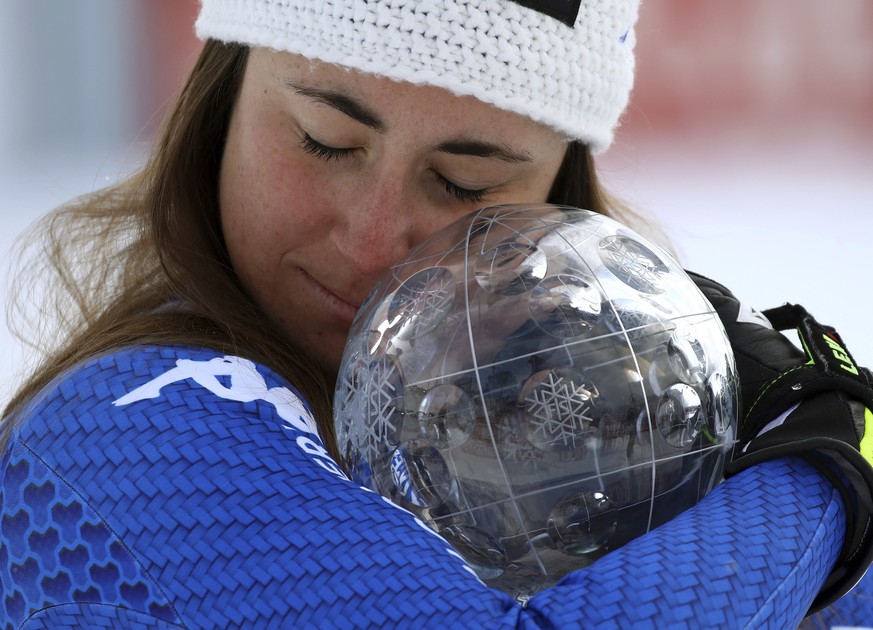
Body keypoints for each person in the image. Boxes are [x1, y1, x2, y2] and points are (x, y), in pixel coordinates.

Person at [1, 0, 871, 626]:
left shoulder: (564, 428)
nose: (372, 238)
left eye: (465, 183)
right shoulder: (137, 422)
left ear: (555, 192)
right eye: (324, 140)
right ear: (222, 96)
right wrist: (820, 470)